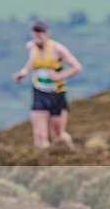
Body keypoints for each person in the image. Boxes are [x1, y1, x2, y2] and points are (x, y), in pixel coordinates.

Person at [11, 20, 82, 148]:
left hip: (57, 94)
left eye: (39, 37)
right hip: (39, 92)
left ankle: (72, 154)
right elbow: (32, 63)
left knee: (58, 136)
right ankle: (43, 163)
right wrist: (23, 72)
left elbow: (77, 67)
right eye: (34, 37)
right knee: (39, 134)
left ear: (47, 35)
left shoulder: (58, 49)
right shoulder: (32, 47)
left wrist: (60, 76)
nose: (37, 40)